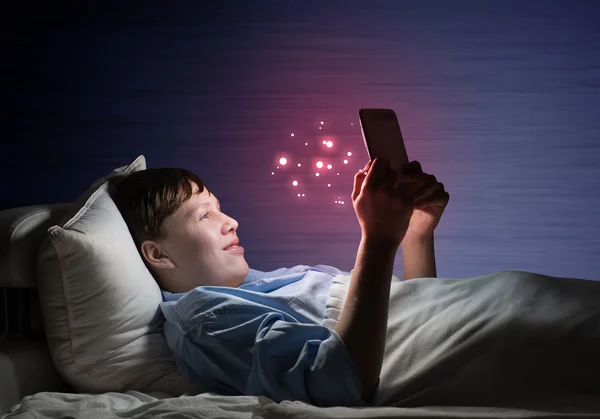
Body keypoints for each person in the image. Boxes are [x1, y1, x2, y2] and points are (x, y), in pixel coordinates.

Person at [114, 157, 600, 409]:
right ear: (157, 253)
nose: (231, 221)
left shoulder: (269, 282)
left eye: (221, 207)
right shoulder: (203, 318)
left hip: (490, 309)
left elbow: (408, 321)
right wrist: (377, 240)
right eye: (205, 214)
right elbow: (338, 382)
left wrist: (414, 237)